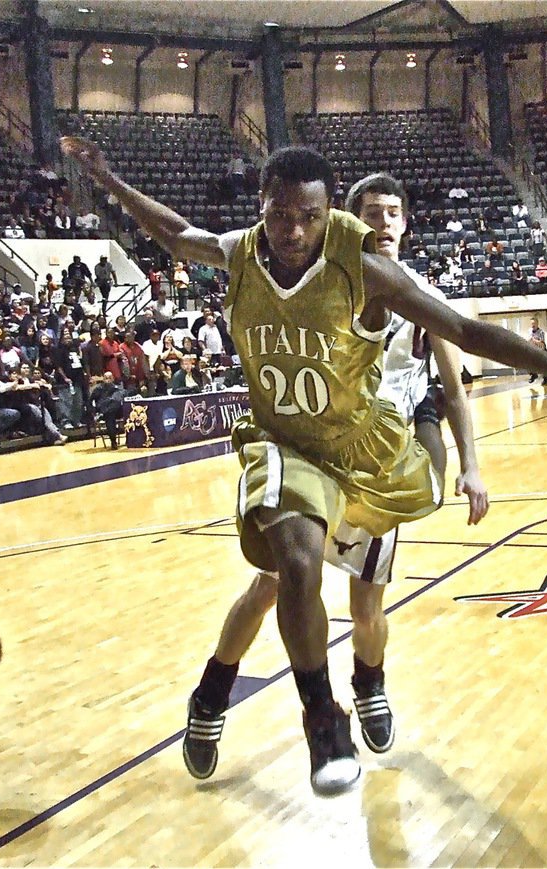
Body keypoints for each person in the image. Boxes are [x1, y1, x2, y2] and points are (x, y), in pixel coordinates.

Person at [61, 135, 547, 795]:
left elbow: (464, 334)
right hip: (283, 444)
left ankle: (368, 685)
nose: (293, 231)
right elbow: (175, 232)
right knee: (290, 568)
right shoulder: (240, 253)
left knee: (365, 605)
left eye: (308, 216)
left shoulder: (367, 271)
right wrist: (108, 178)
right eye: (280, 215)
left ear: (332, 214)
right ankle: (317, 718)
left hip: (361, 452)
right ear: (261, 206)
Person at [181, 172, 490, 781]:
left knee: (368, 601)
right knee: (274, 584)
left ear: (406, 222)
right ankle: (213, 693)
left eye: (394, 212)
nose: (383, 222)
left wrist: (471, 464)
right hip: (313, 447)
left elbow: (451, 388)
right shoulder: (326, 279)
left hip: (380, 459)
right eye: (371, 212)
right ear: (344, 221)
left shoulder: (420, 294)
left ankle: (369, 687)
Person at [526, 317, 547, 385]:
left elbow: (542, 343)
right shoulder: (529, 331)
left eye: (534, 323)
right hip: (533, 350)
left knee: (543, 366)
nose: (532, 325)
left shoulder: (541, 332)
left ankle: (546, 378)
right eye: (531, 324)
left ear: (537, 324)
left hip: (541, 350)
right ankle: (533, 375)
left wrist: (534, 340)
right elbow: (529, 340)